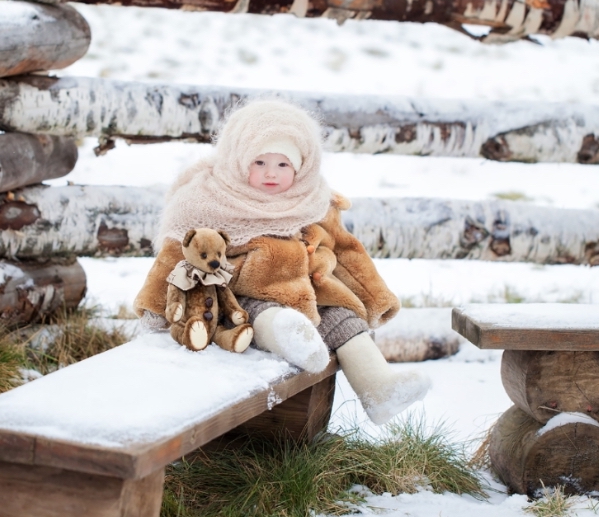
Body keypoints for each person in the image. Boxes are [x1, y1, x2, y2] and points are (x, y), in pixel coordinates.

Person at [134, 99, 431, 425]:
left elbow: (348, 252)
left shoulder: (315, 199)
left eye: (283, 164)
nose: (271, 173)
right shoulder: (206, 201)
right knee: (264, 317)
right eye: (259, 162)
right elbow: (175, 258)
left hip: (313, 293)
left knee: (346, 321)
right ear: (237, 158)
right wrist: (154, 310)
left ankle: (379, 389)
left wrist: (377, 299)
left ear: (302, 167)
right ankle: (293, 339)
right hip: (243, 296)